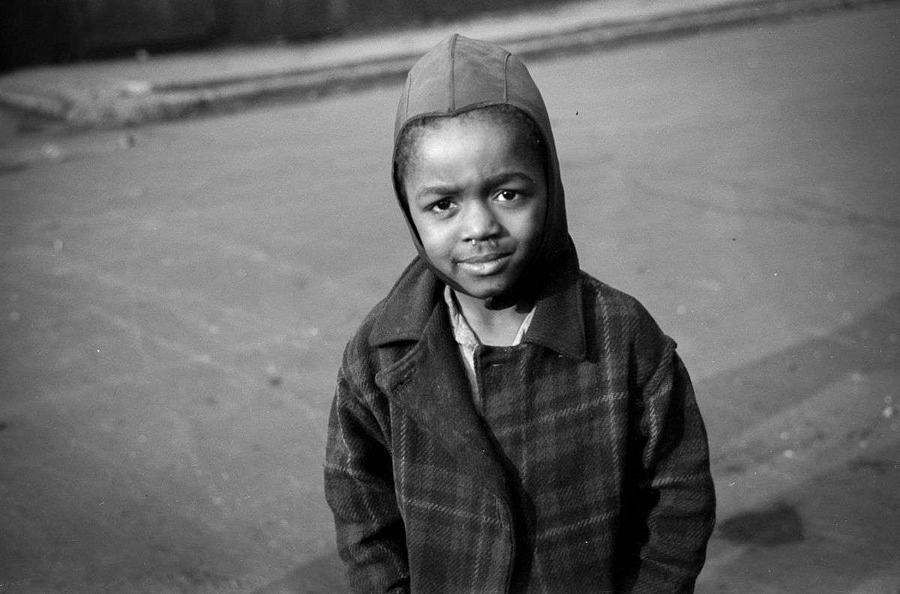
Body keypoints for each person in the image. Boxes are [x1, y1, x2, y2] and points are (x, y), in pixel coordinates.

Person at [324, 34, 715, 592]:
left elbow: (679, 502)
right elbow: (360, 502)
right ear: (409, 211)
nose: (479, 227)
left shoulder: (624, 337)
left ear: (549, 188)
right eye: (443, 205)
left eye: (507, 194)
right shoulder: (380, 354)